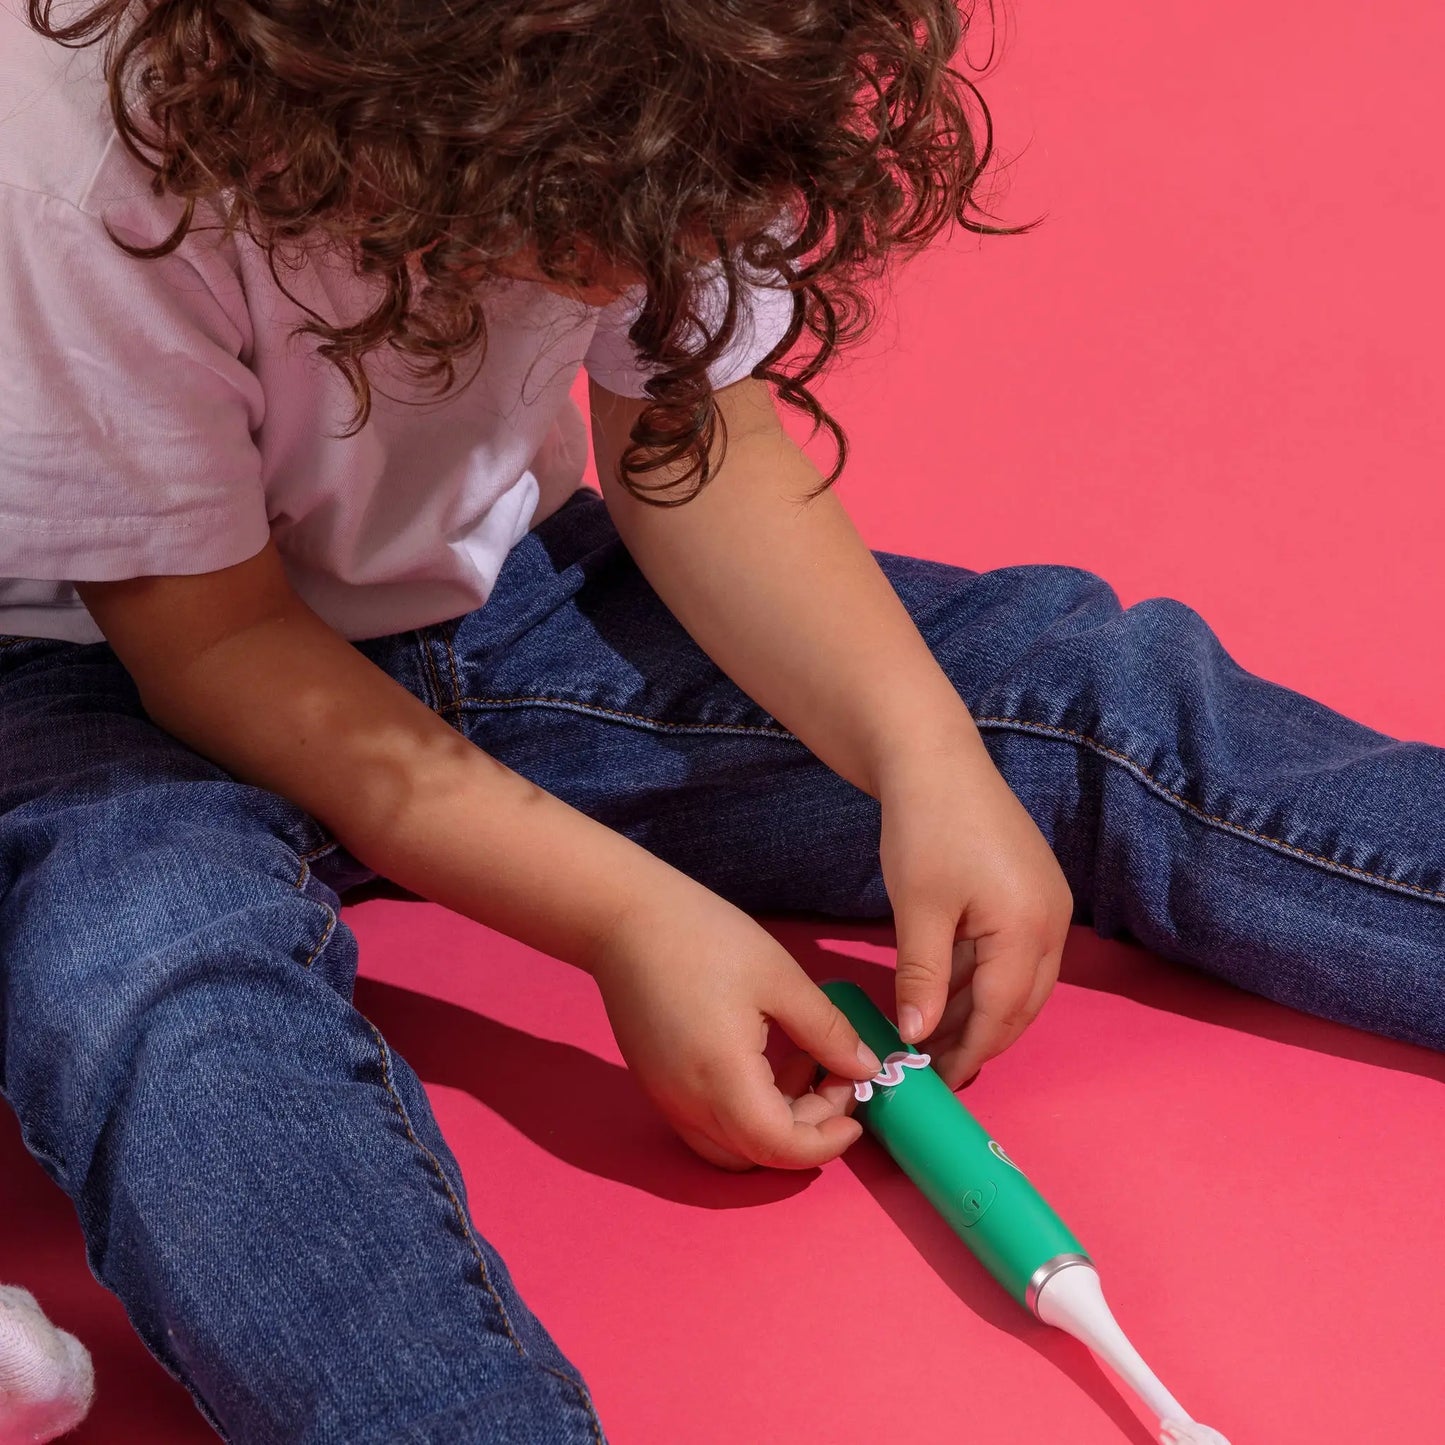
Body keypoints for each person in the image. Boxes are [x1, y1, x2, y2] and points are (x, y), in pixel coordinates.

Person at [1, 0, 1440, 1440]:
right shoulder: (82, 157)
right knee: (161, 987)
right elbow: (216, 642)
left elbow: (686, 431)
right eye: (569, 241)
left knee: (1083, 693)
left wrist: (917, 752)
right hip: (97, 675)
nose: (622, 278)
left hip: (493, 602)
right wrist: (629, 918)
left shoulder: (694, 53)